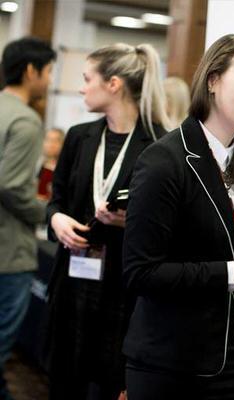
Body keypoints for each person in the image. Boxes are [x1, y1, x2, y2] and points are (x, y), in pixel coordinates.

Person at [122, 34, 234, 399]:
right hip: (169, 365)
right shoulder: (165, 160)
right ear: (213, 80)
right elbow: (140, 272)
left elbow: (230, 250)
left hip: (227, 354)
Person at [44, 43, 169, 400]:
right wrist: (57, 221)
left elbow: (172, 230)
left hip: (123, 290)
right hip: (72, 281)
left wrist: (131, 223)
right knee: (64, 381)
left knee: (111, 386)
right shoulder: (79, 136)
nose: (82, 87)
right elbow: (56, 200)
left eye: (87, 79)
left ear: (113, 84)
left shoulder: (160, 145)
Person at [0, 36, 55, 400]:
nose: (50, 80)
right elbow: (11, 185)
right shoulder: (25, 120)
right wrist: (50, 214)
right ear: (31, 71)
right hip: (9, 250)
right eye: (49, 71)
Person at [37, 128, 65, 200]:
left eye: (56, 141)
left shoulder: (64, 170)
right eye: (48, 140)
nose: (51, 144)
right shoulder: (36, 165)